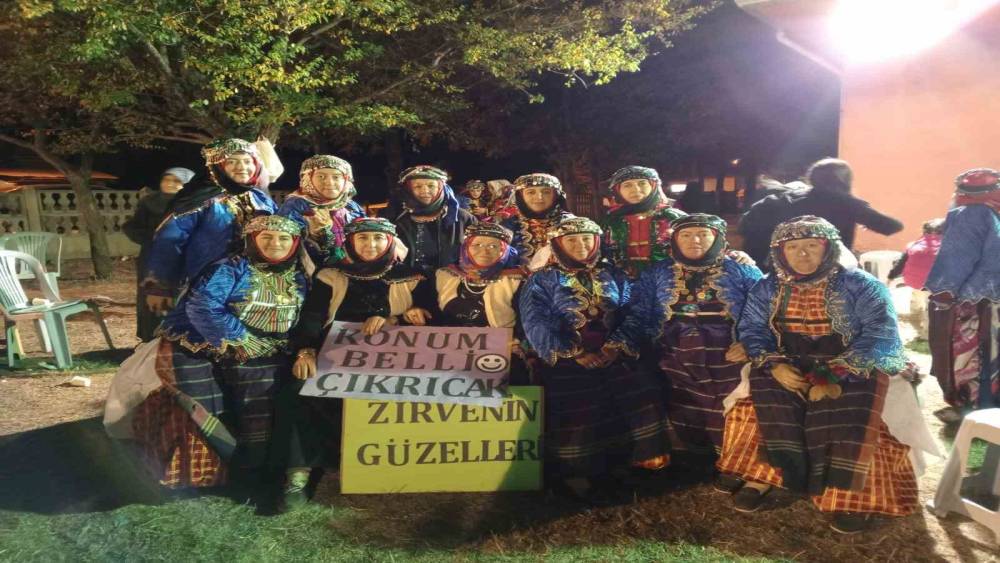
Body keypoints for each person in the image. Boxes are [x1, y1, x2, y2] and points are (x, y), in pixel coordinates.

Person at [716, 216, 918, 534]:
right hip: (788, 359)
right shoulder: (767, 286)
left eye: (812, 245)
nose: (802, 254)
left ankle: (847, 496)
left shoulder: (862, 285)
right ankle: (763, 477)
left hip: (850, 363)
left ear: (829, 249)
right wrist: (774, 364)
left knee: (846, 412)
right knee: (763, 403)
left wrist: (831, 376)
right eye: (793, 247)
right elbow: (753, 329)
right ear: (780, 252)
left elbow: (879, 334)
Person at [108, 215, 307, 489]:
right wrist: (238, 338)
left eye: (284, 239)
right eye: (267, 238)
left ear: (295, 244)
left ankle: (284, 460)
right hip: (225, 340)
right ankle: (250, 463)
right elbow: (203, 305)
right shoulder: (231, 269)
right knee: (254, 387)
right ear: (251, 240)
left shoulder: (298, 274)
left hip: (278, 345)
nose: (276, 244)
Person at [276, 217, 430, 505]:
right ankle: (299, 473)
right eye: (363, 238)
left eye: (378, 238)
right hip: (336, 354)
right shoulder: (332, 275)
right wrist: (306, 350)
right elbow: (313, 316)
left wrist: (394, 319)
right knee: (300, 387)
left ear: (390, 242)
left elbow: (428, 318)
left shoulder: (411, 276)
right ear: (350, 242)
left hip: (392, 359)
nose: (371, 245)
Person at [519, 215, 670, 500]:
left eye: (587, 239)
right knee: (576, 409)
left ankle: (629, 461)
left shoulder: (614, 274)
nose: (581, 245)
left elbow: (633, 313)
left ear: (597, 241)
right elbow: (535, 322)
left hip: (613, 353)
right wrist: (575, 353)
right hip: (568, 359)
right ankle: (575, 470)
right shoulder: (542, 280)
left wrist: (616, 346)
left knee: (636, 393)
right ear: (557, 244)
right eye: (571, 240)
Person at [610, 214, 762, 477]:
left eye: (703, 234)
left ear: (718, 238)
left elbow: (762, 312)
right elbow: (640, 312)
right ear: (675, 240)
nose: (695, 241)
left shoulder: (742, 270)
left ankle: (732, 456)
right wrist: (620, 342)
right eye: (686, 235)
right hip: (672, 349)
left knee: (729, 400)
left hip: (727, 349)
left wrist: (749, 343)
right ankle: (692, 453)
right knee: (678, 399)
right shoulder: (658, 272)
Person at [143, 139, 277, 315]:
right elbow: (169, 241)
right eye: (232, 162)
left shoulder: (261, 199)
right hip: (205, 285)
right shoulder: (198, 200)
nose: (242, 167)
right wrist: (160, 285)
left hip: (254, 285)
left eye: (247, 161)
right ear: (217, 165)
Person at [926, 168, 1000, 415]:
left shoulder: (970, 214)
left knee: (977, 364)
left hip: (978, 306)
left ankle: (978, 415)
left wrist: (942, 295)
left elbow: (956, 259)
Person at [739, 158, 904, 268]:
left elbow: (744, 225)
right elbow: (892, 226)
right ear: (844, 181)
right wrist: (863, 215)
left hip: (778, 273)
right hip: (827, 276)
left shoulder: (783, 198)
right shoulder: (846, 203)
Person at [123, 167, 195, 342]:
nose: (170, 184)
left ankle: (181, 341)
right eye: (166, 179)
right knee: (152, 297)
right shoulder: (149, 203)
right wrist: (155, 238)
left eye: (177, 181)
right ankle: (151, 340)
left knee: (182, 297)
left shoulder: (195, 205)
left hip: (183, 259)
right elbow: (132, 227)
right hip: (153, 259)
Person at [384, 165, 476, 280]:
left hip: (451, 283)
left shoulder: (463, 218)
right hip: (408, 284)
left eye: (431, 185)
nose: (425, 190)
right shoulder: (395, 218)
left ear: (440, 188)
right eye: (418, 186)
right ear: (408, 189)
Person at [277, 155, 365, 270]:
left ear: (346, 180)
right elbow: (286, 242)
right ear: (308, 178)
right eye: (321, 176)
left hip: (352, 267)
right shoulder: (297, 205)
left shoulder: (351, 206)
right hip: (311, 269)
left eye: (336, 177)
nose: (329, 182)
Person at [600, 166, 687, 277]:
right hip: (621, 279)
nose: (636, 190)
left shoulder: (674, 217)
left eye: (642, 183)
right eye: (627, 185)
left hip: (668, 278)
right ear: (618, 190)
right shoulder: (611, 220)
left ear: (653, 186)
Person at [887, 218, 944, 340]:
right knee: (929, 308)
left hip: (913, 281)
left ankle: (915, 322)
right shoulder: (946, 247)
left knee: (917, 299)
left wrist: (890, 277)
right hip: (933, 285)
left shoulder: (913, 245)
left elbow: (901, 264)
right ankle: (926, 335)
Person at [500, 173, 573, 269]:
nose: (539, 197)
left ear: (556, 195)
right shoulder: (508, 226)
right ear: (520, 196)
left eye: (546, 192)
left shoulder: (571, 224)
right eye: (531, 192)